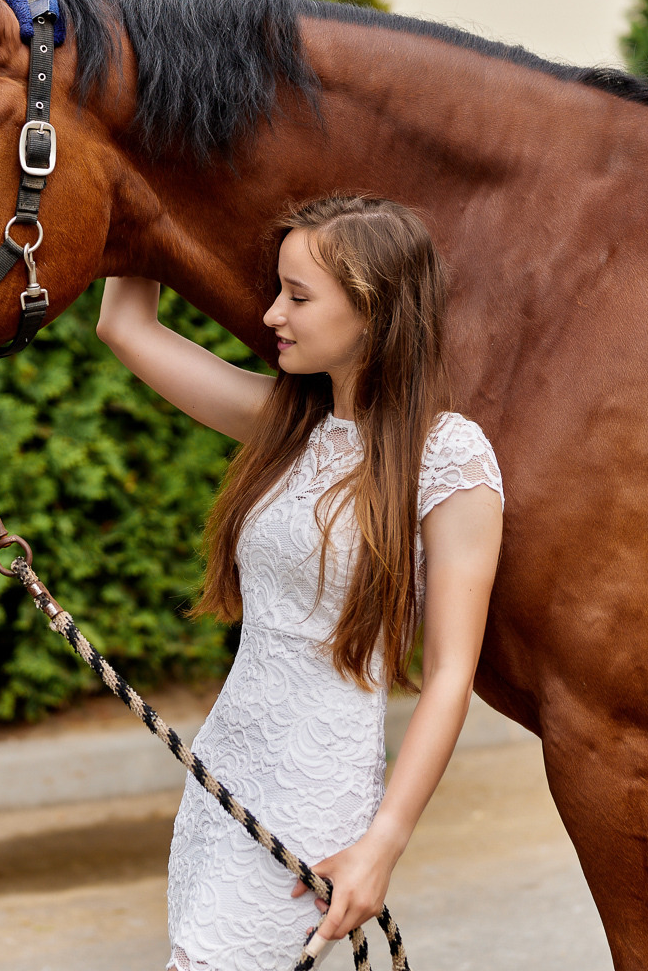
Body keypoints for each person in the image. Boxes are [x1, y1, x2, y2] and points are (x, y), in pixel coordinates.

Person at [96, 196, 505, 971]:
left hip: (319, 794)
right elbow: (125, 328)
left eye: (298, 295)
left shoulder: (450, 458)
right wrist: (137, 180)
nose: (272, 313)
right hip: (225, 781)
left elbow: (453, 675)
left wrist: (383, 844)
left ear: (373, 311)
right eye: (277, 288)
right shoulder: (285, 423)